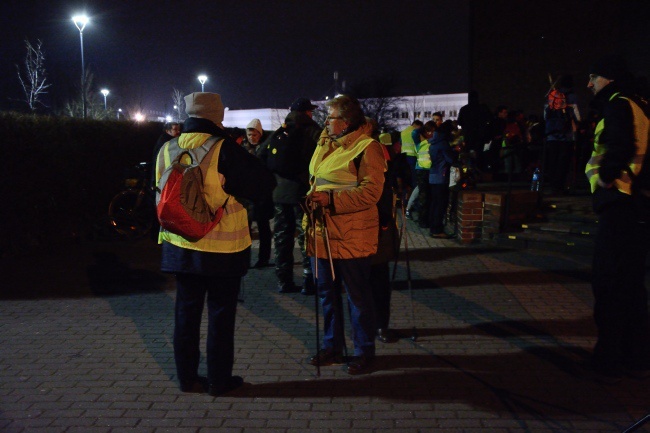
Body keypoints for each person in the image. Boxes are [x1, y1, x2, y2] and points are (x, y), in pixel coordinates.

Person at [155, 92, 276, 396]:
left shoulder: (167, 147)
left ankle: (187, 378)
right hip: (221, 250)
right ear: (216, 115)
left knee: (186, 313)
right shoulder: (225, 149)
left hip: (179, 244)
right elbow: (263, 184)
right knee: (221, 316)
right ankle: (219, 381)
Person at [306, 95, 386, 374]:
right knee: (327, 294)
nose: (325, 122)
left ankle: (364, 350)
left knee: (357, 296)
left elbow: (371, 192)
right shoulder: (325, 143)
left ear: (346, 121)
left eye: (330, 118)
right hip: (322, 232)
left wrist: (331, 200)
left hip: (352, 234)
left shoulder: (368, 147)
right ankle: (333, 346)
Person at [584, 55, 650, 382]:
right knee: (632, 284)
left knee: (608, 281)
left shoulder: (617, 103)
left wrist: (607, 178)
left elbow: (621, 144)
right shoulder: (641, 102)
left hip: (620, 200)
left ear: (607, 78)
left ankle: (608, 358)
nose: (589, 84)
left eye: (593, 77)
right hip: (638, 204)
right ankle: (635, 354)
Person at [261, 97, 321, 294]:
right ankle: (309, 280)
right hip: (302, 193)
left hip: (279, 194)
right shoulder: (313, 131)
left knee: (281, 237)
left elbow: (261, 154)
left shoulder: (281, 130)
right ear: (306, 112)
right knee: (306, 236)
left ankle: (284, 281)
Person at [241, 118, 274, 268]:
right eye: (249, 135)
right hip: (247, 196)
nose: (251, 137)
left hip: (262, 196)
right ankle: (244, 259)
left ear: (260, 134)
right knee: (245, 230)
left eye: (254, 135)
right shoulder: (242, 148)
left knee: (263, 229)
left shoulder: (266, 149)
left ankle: (263, 259)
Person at [544, 75, 580, 194]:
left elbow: (545, 115)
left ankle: (552, 185)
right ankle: (560, 186)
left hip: (551, 134)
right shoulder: (571, 96)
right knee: (563, 162)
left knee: (553, 160)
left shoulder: (552, 95)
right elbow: (577, 116)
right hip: (566, 135)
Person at [457, 90, 491, 171]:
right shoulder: (483, 108)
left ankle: (470, 170)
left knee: (468, 154)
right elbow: (490, 119)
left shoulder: (464, 109)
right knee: (479, 153)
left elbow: (459, 122)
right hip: (480, 135)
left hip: (468, 136)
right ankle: (480, 170)